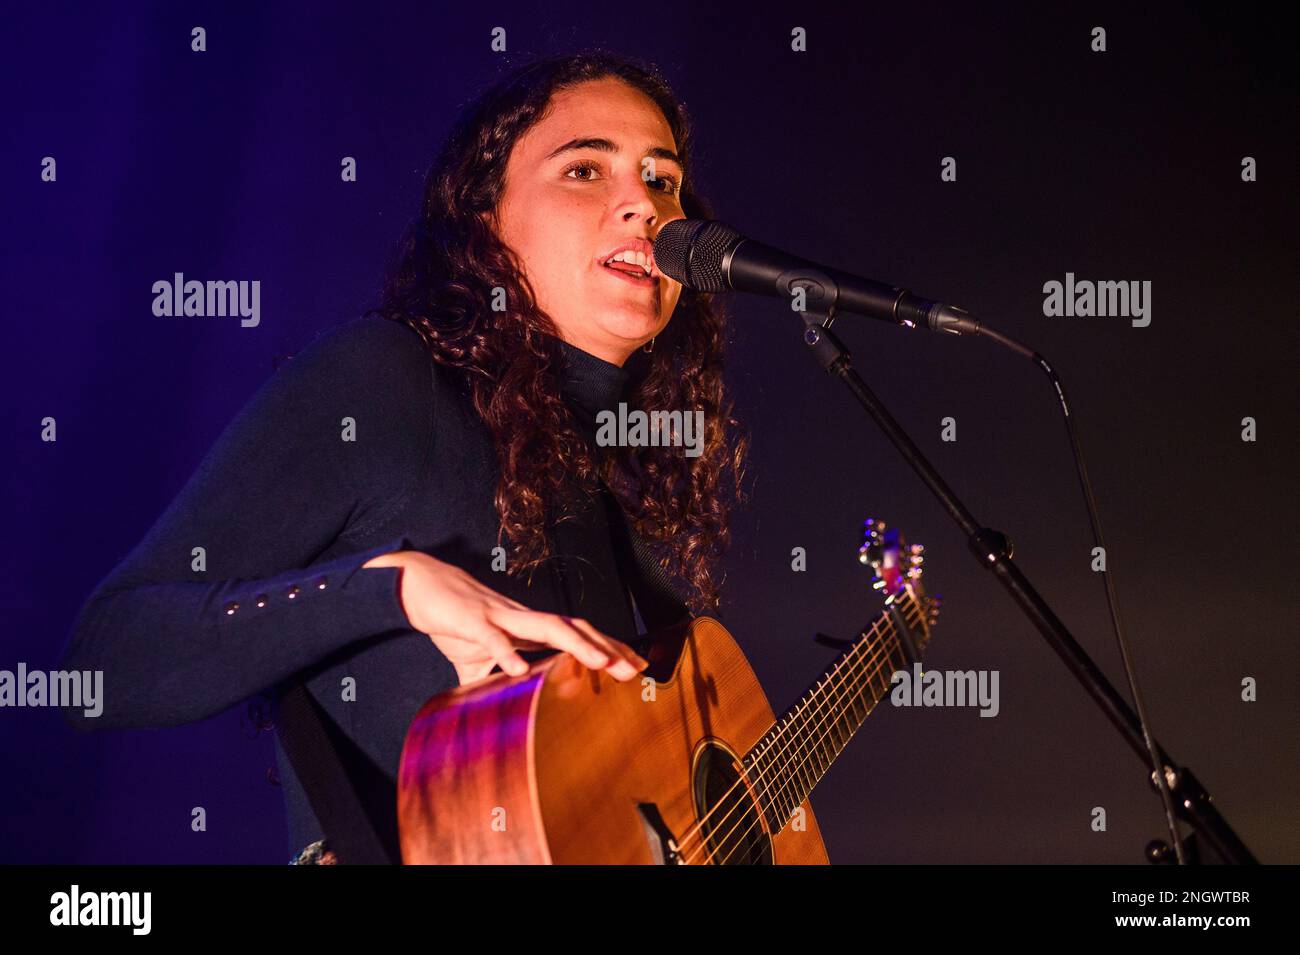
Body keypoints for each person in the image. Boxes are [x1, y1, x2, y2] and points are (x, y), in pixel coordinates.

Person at [58, 51, 748, 864]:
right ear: (485, 221)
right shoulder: (384, 378)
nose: (643, 205)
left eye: (662, 179)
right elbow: (106, 658)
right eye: (586, 169)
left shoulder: (615, 475)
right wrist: (387, 588)